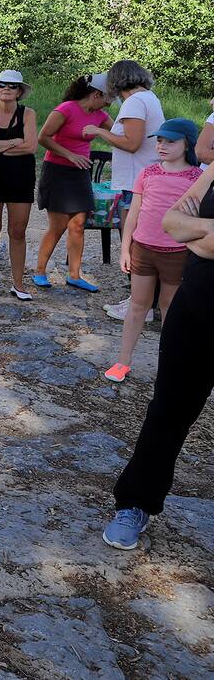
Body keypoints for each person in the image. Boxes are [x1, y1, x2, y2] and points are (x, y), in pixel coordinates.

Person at [102, 156, 214, 550]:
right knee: (167, 412)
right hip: (197, 309)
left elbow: (192, 233)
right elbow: (171, 222)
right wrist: (202, 234)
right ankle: (135, 502)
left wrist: (196, 233)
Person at [103, 119, 202, 383]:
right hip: (143, 249)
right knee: (137, 305)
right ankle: (123, 361)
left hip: (177, 252)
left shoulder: (198, 179)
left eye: (171, 141)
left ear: (187, 144)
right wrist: (125, 249)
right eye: (160, 140)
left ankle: (169, 366)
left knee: (170, 307)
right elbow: (133, 214)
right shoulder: (148, 173)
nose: (163, 145)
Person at [84, 61, 164, 320]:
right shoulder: (148, 98)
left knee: (135, 244)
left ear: (117, 82)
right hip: (143, 179)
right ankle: (141, 300)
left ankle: (140, 305)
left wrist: (98, 131)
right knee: (142, 241)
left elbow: (131, 143)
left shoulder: (134, 103)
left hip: (135, 182)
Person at [32, 73, 112, 291]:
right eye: (109, 98)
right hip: (58, 171)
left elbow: (118, 133)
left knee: (78, 225)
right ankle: (39, 271)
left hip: (80, 173)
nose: (111, 103)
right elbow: (43, 137)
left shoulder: (100, 115)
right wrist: (69, 155)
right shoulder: (66, 109)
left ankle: (74, 275)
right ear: (96, 94)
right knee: (57, 226)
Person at [0, 70, 38, 300]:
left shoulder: (28, 113)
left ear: (19, 91)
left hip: (21, 178)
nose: (6, 89)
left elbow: (31, 147)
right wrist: (14, 141)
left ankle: (18, 283)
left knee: (18, 231)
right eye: (1, 85)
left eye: (12, 86)